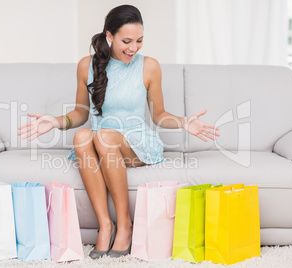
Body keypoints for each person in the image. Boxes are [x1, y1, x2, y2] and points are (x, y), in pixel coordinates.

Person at [18, 4, 219, 259]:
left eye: (139, 41)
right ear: (109, 36)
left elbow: (159, 116)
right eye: (126, 41)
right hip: (102, 141)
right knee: (82, 137)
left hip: (136, 144)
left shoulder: (149, 66)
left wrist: (183, 122)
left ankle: (125, 224)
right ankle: (106, 225)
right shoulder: (86, 66)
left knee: (102, 135)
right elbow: (81, 114)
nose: (133, 48)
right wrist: (54, 122)